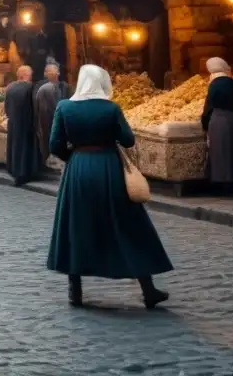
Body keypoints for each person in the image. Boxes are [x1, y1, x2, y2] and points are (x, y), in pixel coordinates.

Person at [47, 65, 172, 308]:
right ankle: (148, 289)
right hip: (109, 168)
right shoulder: (110, 108)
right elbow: (128, 138)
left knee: (77, 225)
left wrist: (73, 157)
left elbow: (55, 144)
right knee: (129, 224)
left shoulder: (65, 107)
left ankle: (75, 290)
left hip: (78, 170)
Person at [201, 57, 233, 191]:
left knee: (219, 152)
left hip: (217, 120)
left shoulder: (213, 84)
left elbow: (208, 107)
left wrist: (204, 124)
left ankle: (221, 183)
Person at [5, 65, 39, 186]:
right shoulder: (30, 88)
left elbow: (6, 107)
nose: (31, 77)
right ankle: (23, 174)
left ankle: (14, 171)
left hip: (13, 123)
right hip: (26, 123)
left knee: (15, 147)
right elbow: (35, 107)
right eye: (30, 75)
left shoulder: (10, 88)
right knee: (25, 148)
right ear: (26, 75)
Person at [34, 62, 70, 167]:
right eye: (50, 72)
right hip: (45, 120)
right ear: (45, 74)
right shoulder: (40, 86)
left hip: (60, 120)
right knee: (47, 141)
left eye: (55, 71)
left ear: (58, 73)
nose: (54, 74)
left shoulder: (64, 86)